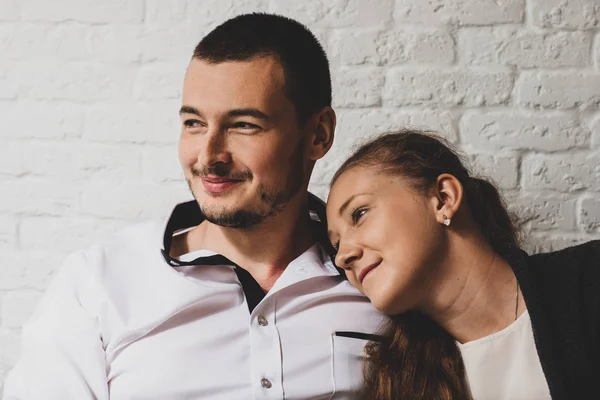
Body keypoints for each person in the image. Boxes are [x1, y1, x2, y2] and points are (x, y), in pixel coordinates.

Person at [3, 13, 384, 399]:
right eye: (194, 123)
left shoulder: (380, 277)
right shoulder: (98, 284)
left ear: (318, 135)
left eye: (244, 125)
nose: (209, 156)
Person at [326, 129, 600, 400]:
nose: (342, 257)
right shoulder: (399, 383)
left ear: (444, 199)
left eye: (359, 214)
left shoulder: (589, 281)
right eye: (336, 244)